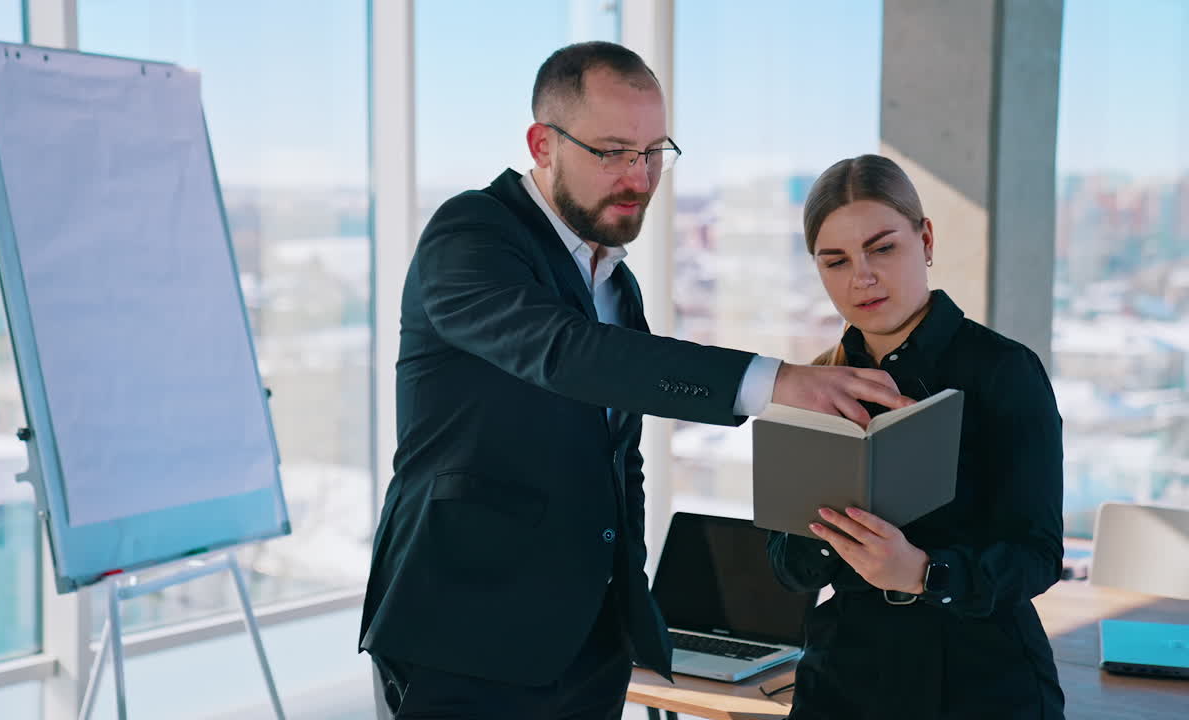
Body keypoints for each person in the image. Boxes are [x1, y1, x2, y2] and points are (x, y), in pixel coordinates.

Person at [359, 43, 909, 719]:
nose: (640, 177)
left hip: (591, 646)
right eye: (614, 151)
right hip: (465, 637)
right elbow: (566, 354)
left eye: (654, 152)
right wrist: (776, 382)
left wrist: (627, 601)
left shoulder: (615, 280)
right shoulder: (470, 237)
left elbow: (622, 459)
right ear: (543, 144)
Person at [768, 154, 1066, 719]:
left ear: (925, 240)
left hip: (982, 686)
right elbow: (789, 569)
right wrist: (827, 534)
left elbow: (1038, 554)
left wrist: (925, 572)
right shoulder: (817, 381)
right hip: (843, 685)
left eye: (883, 248)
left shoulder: (1004, 371)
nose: (862, 277)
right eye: (835, 261)